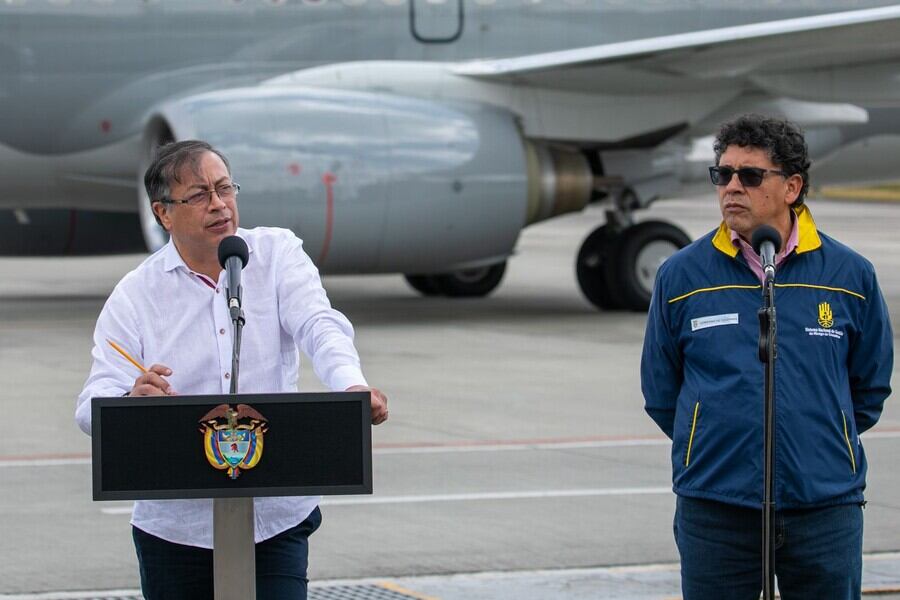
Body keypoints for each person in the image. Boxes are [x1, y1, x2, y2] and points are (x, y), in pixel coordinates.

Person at [76, 140, 388, 600]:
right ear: (164, 214)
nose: (219, 205)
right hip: (176, 532)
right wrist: (128, 403)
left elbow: (319, 325)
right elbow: (90, 405)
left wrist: (350, 383)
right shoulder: (136, 294)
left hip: (273, 519)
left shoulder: (277, 254)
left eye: (225, 188)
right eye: (199, 195)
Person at [641, 114, 893, 599]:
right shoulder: (680, 276)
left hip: (823, 506)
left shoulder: (849, 275)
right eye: (723, 174)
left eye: (750, 175)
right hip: (717, 506)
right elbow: (661, 390)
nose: (732, 187)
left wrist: (818, 435)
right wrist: (714, 437)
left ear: (792, 187)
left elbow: (870, 385)